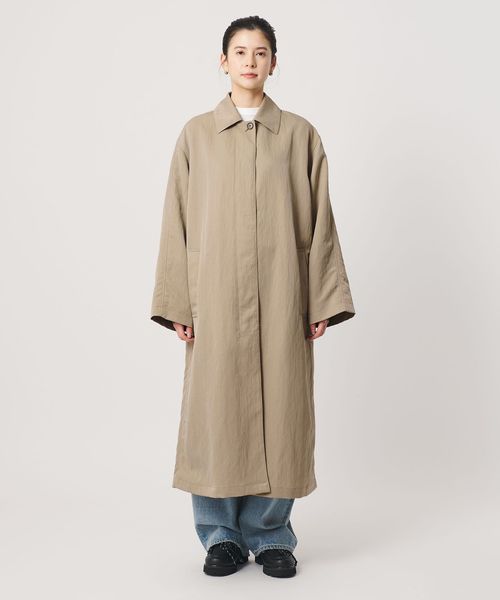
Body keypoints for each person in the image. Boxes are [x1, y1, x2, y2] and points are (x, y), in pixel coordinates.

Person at [150, 15, 356, 578]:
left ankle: (270, 536)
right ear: (223, 61)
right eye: (239, 51)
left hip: (282, 293)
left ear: (273, 63)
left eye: (260, 52)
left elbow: (319, 221)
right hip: (213, 296)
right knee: (215, 412)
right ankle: (219, 536)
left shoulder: (300, 136)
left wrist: (319, 298)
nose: (249, 61)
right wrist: (178, 302)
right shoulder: (196, 135)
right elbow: (176, 222)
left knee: (282, 410)